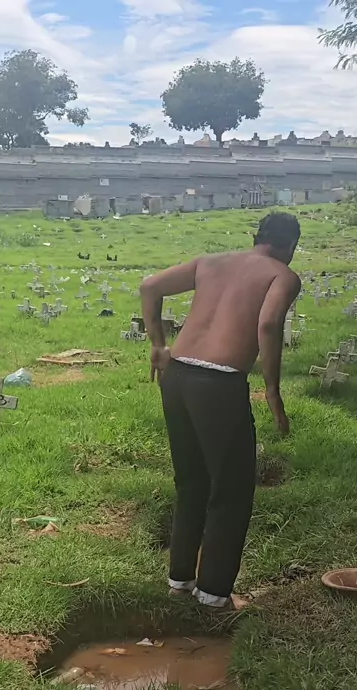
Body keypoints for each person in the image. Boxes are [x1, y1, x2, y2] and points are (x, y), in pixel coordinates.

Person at [140, 212, 301, 611]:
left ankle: (180, 582)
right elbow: (268, 325)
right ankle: (213, 597)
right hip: (219, 384)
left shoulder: (210, 262)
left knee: (191, 482)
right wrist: (273, 389)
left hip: (177, 376)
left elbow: (150, 286)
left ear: (256, 237)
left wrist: (158, 344)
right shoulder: (282, 275)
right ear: (291, 246)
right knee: (231, 490)